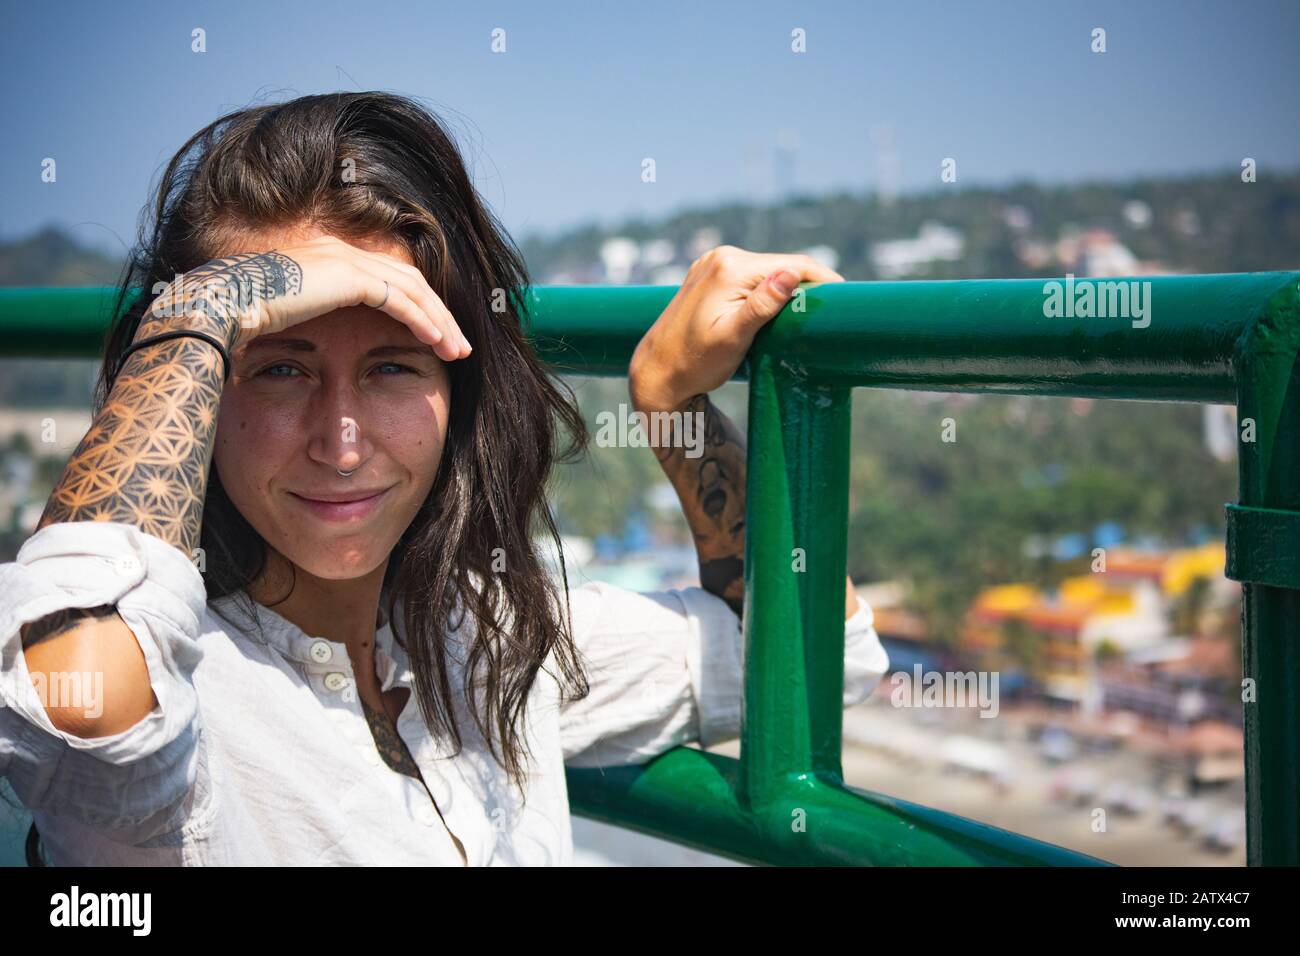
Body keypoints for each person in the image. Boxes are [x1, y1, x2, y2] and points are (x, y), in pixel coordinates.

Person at [0, 91, 888, 866]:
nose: (342, 445)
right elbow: (75, 705)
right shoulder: (186, 690)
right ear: (197, 378)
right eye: (278, 368)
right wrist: (200, 309)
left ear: (457, 389)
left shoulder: (493, 633)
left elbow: (815, 655)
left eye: (392, 367)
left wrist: (670, 401)